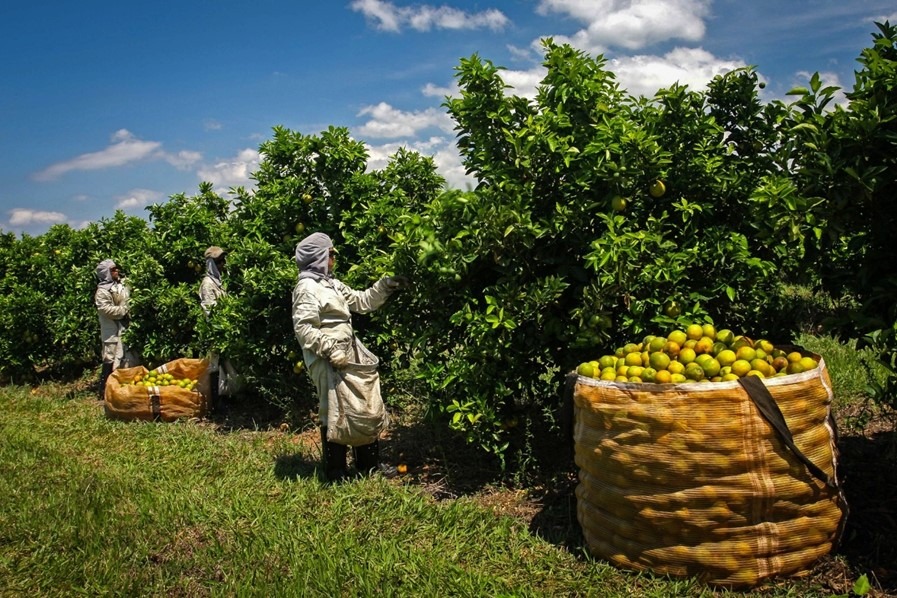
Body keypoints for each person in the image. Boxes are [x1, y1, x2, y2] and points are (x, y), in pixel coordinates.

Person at [291, 232, 407, 482]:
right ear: (319, 257)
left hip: (347, 352)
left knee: (361, 405)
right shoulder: (307, 287)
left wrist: (385, 285)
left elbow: (362, 301)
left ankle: (368, 466)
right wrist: (330, 349)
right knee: (334, 409)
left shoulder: (330, 283)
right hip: (326, 357)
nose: (334, 258)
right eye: (330, 253)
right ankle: (336, 471)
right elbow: (304, 328)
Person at [199, 245, 237, 410]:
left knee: (225, 365)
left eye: (223, 260)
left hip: (223, 330)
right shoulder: (208, 284)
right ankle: (215, 403)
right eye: (219, 261)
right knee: (214, 365)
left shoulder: (219, 282)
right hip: (215, 331)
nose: (222, 264)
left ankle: (226, 397)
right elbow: (210, 311)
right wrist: (219, 329)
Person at [94, 259, 136, 400]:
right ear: (106, 273)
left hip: (124, 328)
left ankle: (121, 390)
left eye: (116, 268)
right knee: (109, 358)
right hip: (111, 331)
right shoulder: (102, 292)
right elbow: (106, 310)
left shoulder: (122, 284)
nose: (116, 271)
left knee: (126, 357)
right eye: (112, 270)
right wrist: (124, 310)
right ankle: (104, 391)